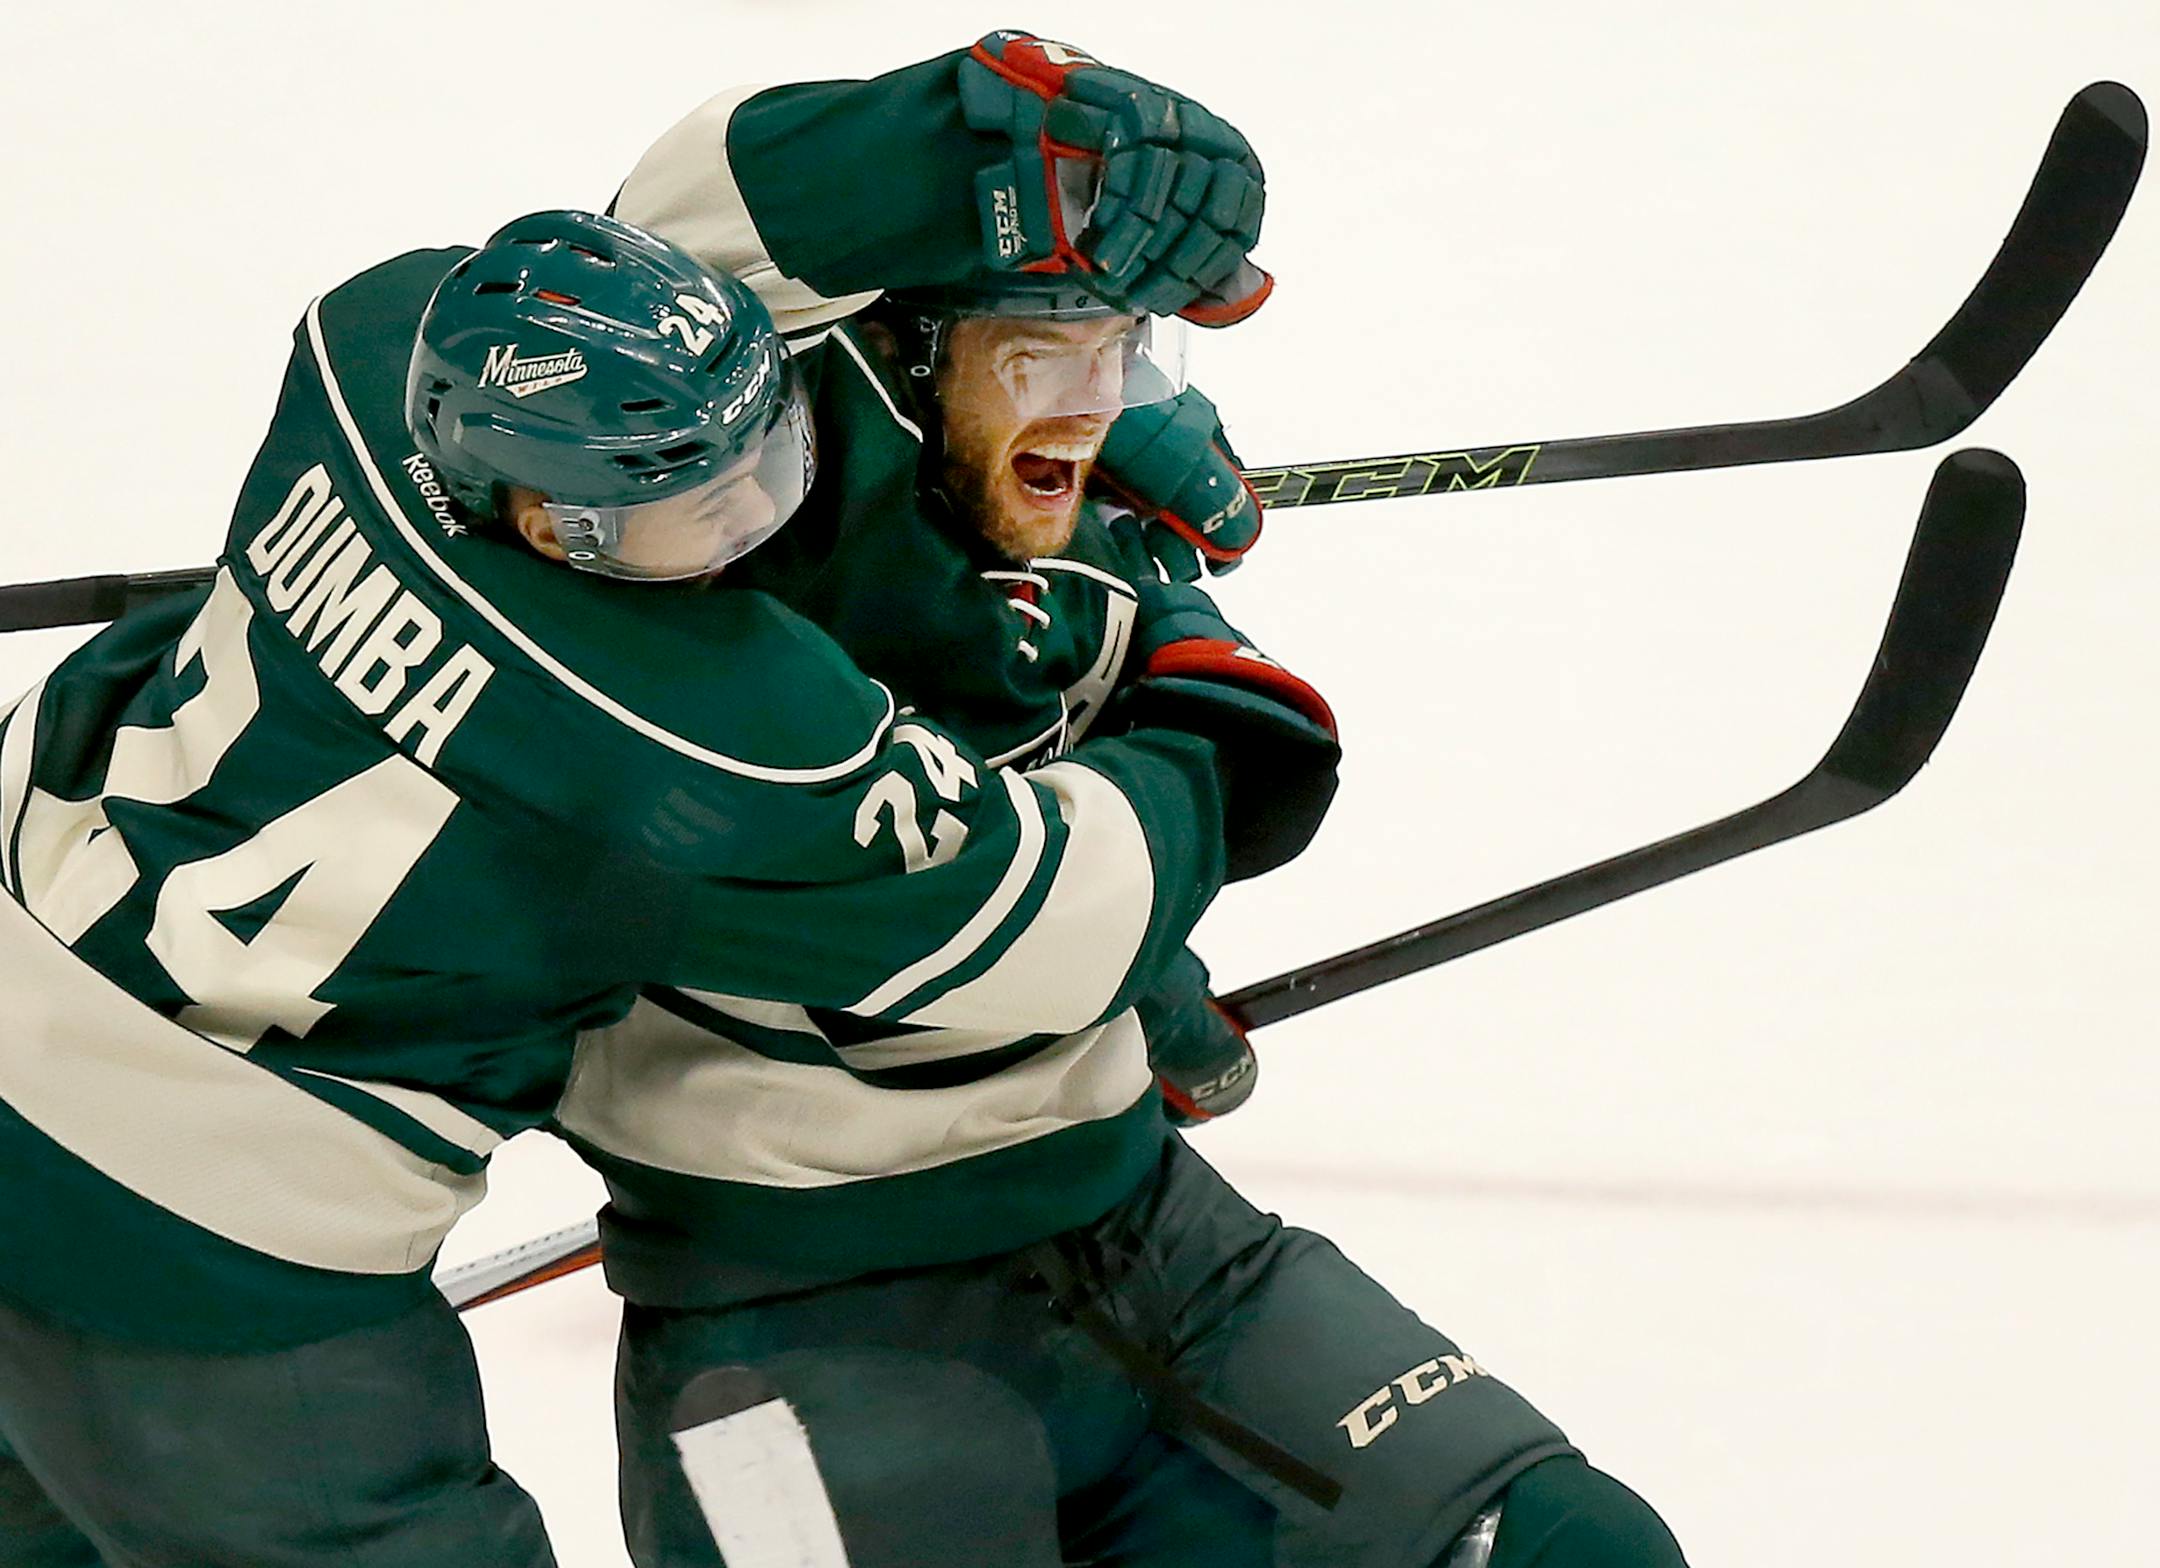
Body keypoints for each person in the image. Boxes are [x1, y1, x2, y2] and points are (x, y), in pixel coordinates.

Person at [558, 30, 1692, 1568]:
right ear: (890, 362)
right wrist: (957, 144)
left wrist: (1142, 971)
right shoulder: (691, 564)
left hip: (1158, 1253)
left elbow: (1096, 818)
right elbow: (676, 247)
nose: (1095, 406)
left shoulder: (1082, 560)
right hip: (801, 1337)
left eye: (1123, 353)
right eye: (1046, 355)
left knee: (1579, 1551)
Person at [0, 206, 1272, 1566]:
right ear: (542, 511)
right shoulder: (695, 734)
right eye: (674, 511)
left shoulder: (364, 355)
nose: (738, 537)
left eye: (764, 469)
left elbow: (639, 298)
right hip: (197, 1270)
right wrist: (1189, 673)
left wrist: (1051, 397)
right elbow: (1060, 917)